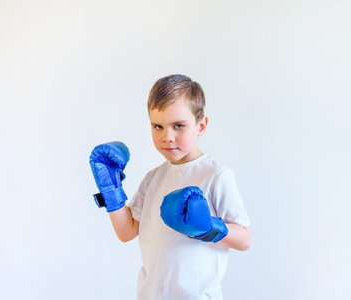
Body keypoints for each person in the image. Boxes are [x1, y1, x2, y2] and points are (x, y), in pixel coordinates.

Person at [89, 74, 252, 300]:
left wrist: (208, 228)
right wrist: (111, 190)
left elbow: (245, 239)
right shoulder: (153, 178)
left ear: (201, 125)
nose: (167, 137)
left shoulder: (216, 175)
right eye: (158, 126)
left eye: (178, 126)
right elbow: (127, 232)